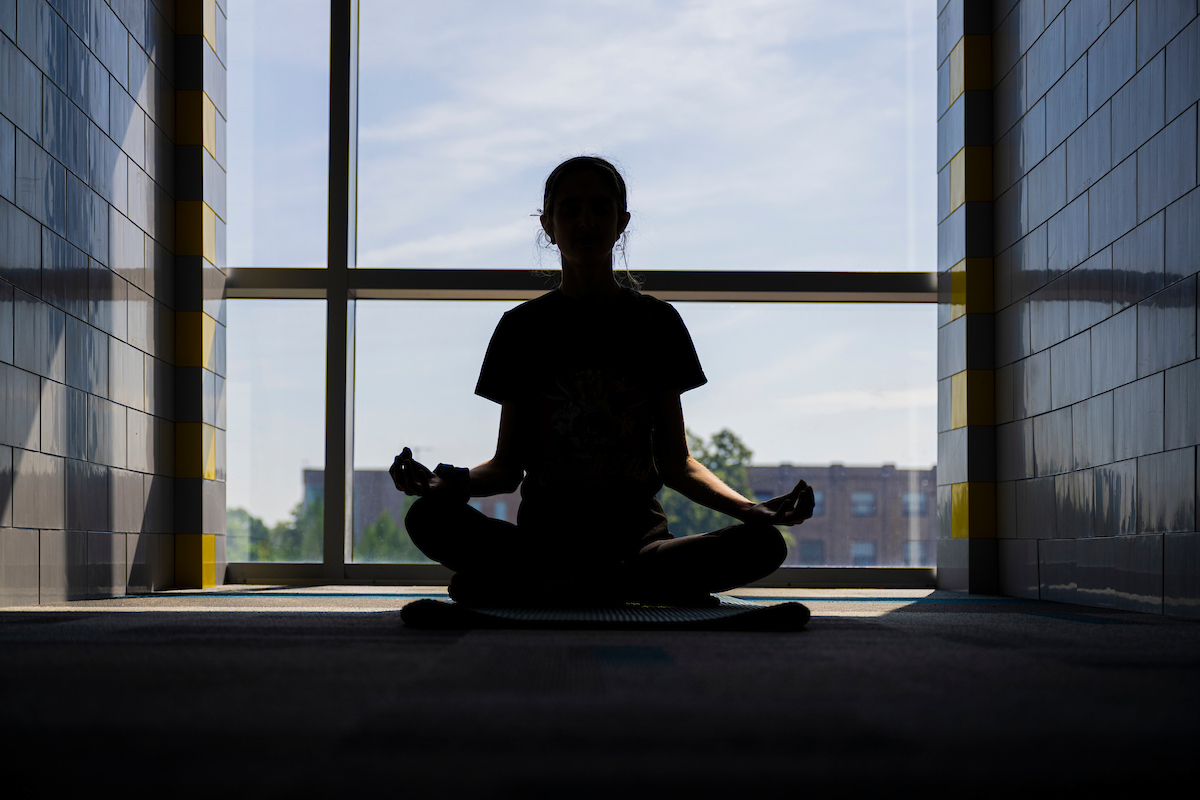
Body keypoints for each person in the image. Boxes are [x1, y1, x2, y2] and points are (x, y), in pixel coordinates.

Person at [391, 156, 815, 606]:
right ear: (548, 225)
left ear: (621, 222)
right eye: (570, 210)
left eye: (600, 208)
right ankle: (600, 587)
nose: (586, 221)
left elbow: (677, 464)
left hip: (638, 549)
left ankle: (549, 589)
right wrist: (447, 486)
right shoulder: (521, 328)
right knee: (427, 518)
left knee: (764, 543)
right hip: (543, 547)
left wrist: (751, 509)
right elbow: (506, 468)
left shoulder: (657, 323)